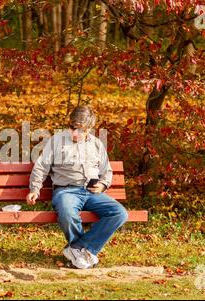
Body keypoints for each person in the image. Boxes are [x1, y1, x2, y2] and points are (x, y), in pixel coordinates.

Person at [26, 105, 128, 269]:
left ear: (89, 129)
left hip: (91, 193)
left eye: (80, 130)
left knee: (120, 213)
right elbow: (41, 167)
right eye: (72, 127)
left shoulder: (96, 144)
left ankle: (77, 249)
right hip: (66, 191)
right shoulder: (56, 141)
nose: (75, 133)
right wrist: (35, 189)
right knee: (67, 213)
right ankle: (82, 252)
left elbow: (106, 171)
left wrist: (102, 185)